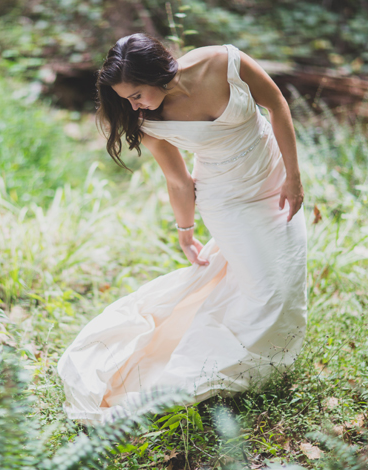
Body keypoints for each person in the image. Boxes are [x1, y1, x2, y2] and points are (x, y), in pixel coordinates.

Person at [57, 33, 307, 425]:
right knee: (267, 287)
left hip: (273, 175)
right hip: (227, 198)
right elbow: (178, 181)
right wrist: (185, 229)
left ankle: (268, 356)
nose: (132, 104)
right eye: (126, 99)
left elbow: (275, 104)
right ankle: (225, 367)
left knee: (289, 269)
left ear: (156, 73)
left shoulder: (224, 62)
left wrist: (294, 176)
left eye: (136, 93)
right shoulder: (147, 122)